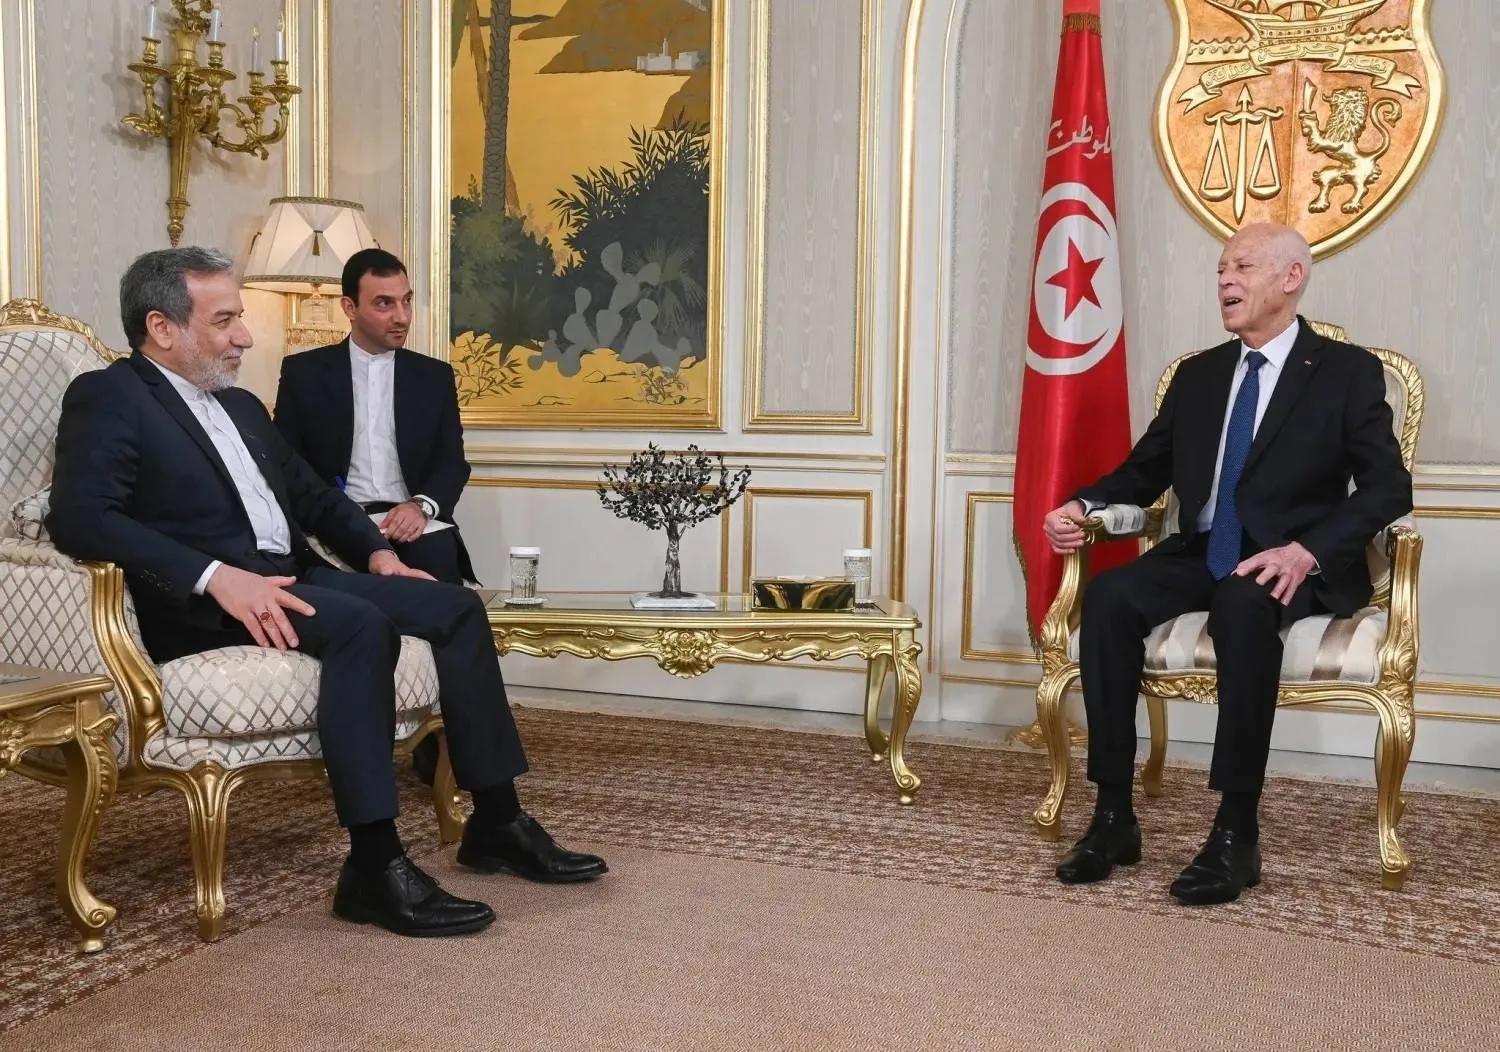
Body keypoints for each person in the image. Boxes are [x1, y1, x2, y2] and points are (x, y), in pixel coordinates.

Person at [47, 247, 607, 939]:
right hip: (210, 603)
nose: (245, 336)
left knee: (457, 608)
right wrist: (217, 577)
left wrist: (378, 555)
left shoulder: (244, 406)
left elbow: (312, 495)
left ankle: (497, 822)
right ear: (163, 328)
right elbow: (80, 517)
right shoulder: (110, 396)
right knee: (359, 628)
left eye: (239, 318)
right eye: (226, 321)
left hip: (298, 574)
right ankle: (373, 866)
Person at [1041, 222, 1411, 905]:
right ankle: (1114, 815)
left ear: (1290, 278)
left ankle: (1236, 831)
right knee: (1113, 597)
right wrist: (1081, 504)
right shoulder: (1200, 374)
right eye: (1220, 270)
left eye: (1241, 267)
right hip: (1202, 550)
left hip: (1288, 557)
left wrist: (1307, 552)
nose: (1225, 281)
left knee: (1244, 603)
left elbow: (1391, 489)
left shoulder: (1344, 372)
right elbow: (1143, 471)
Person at [274, 248, 476, 785]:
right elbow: (288, 465)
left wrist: (421, 506)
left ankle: (450, 748)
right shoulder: (303, 372)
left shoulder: (434, 376)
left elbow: (453, 461)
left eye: (406, 301)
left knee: (446, 588)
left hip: (415, 517)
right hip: (336, 524)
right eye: (384, 303)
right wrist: (341, 521)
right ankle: (358, 739)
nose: (401, 316)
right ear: (349, 306)